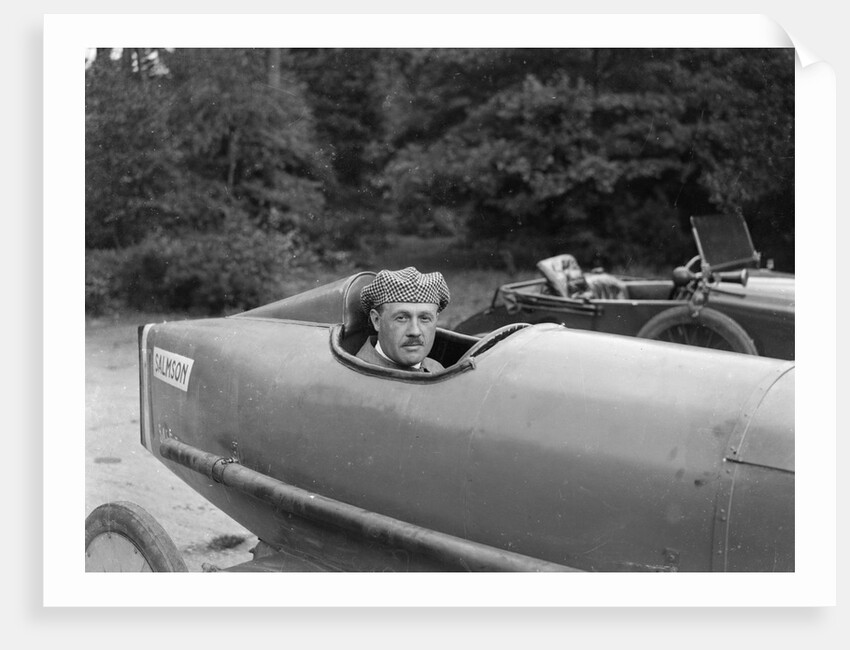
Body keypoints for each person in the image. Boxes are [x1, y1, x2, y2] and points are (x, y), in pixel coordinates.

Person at [356, 267, 450, 372]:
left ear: (436, 320)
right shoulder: (357, 379)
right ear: (377, 320)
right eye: (401, 318)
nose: (415, 331)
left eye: (424, 318)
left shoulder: (436, 369)